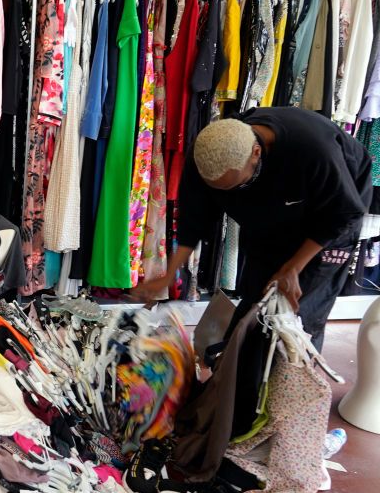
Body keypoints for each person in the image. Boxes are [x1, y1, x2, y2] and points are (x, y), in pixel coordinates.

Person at [134, 107, 372, 351]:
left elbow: (345, 214)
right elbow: (194, 218)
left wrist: (293, 267)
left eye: (234, 187)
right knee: (255, 297)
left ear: (256, 153)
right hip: (274, 212)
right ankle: (236, 375)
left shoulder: (311, 150)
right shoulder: (206, 155)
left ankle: (288, 381)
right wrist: (168, 274)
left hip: (330, 217)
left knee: (294, 317)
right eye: (218, 190)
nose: (226, 196)